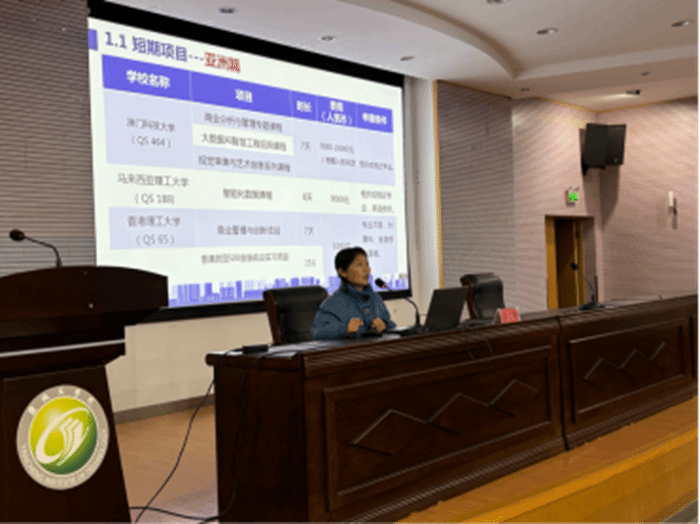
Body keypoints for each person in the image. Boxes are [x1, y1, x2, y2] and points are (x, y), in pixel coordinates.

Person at [311, 247, 396, 339]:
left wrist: (384, 325)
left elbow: (392, 325)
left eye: (367, 264)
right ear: (342, 272)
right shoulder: (332, 303)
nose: (366, 269)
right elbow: (317, 332)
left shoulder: (376, 298)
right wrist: (345, 329)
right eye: (359, 264)